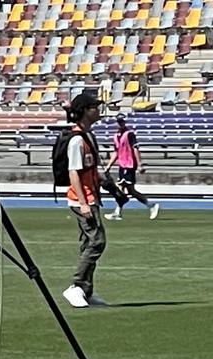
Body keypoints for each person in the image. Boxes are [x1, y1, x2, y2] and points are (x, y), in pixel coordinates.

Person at [60, 92, 109, 309]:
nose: (98, 110)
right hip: (83, 199)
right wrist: (83, 202)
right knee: (97, 241)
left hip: (92, 196)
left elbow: (92, 169)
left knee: (88, 243)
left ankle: (86, 290)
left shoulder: (89, 137)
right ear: (85, 111)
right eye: (94, 107)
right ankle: (77, 286)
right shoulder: (77, 140)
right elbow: (74, 173)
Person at [103, 115, 159, 221]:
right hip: (122, 165)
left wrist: (139, 164)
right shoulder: (115, 136)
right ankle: (118, 212)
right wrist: (108, 165)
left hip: (129, 164)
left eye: (122, 122)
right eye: (119, 122)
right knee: (122, 188)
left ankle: (150, 205)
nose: (121, 124)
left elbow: (135, 149)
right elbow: (116, 152)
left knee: (128, 189)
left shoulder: (130, 134)